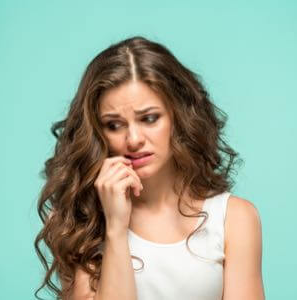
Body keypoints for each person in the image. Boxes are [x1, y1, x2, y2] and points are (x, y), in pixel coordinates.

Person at [34, 36, 265, 300]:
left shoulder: (233, 219)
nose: (133, 140)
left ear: (178, 117)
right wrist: (116, 228)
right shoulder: (79, 219)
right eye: (113, 124)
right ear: (98, 132)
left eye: (149, 118)